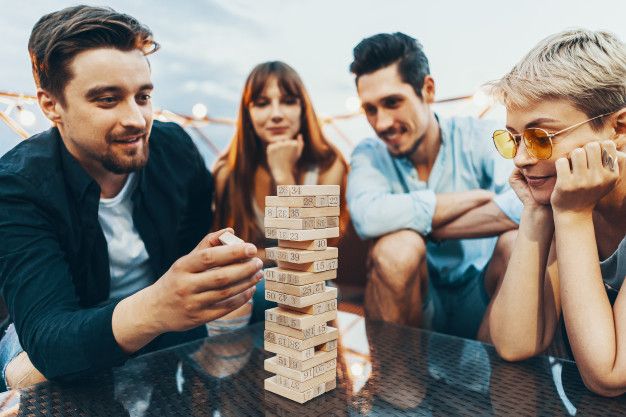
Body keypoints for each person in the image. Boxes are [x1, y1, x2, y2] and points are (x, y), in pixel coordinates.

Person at [0, 5, 263, 389]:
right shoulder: (18, 185)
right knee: (26, 374)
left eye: (142, 97)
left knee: (286, 292)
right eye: (108, 100)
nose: (137, 120)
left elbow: (193, 243)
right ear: (51, 105)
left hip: (168, 319)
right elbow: (48, 335)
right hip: (66, 326)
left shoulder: (174, 149)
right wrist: (159, 307)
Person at [347, 32, 522, 339]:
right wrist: (472, 199)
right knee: (397, 247)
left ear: (427, 90)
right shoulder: (368, 153)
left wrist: (427, 225)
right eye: (370, 109)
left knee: (517, 242)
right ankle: (400, 388)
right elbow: (366, 216)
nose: (382, 123)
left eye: (392, 102)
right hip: (416, 297)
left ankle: (498, 380)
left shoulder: (479, 136)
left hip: (482, 290)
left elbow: (524, 203)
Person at [487, 29, 626, 397]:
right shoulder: (563, 197)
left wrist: (573, 215)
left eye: (541, 137)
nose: (521, 158)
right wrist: (536, 210)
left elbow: (609, 376)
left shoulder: (574, 205)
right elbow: (515, 344)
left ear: (619, 128)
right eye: (514, 139)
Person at [213, 61, 348, 262]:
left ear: (303, 109)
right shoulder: (228, 172)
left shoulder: (328, 165)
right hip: (246, 281)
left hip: (308, 284)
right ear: (248, 114)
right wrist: (276, 255)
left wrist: (283, 175)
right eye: (262, 103)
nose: (276, 114)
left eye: (288, 101)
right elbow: (223, 250)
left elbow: (312, 252)